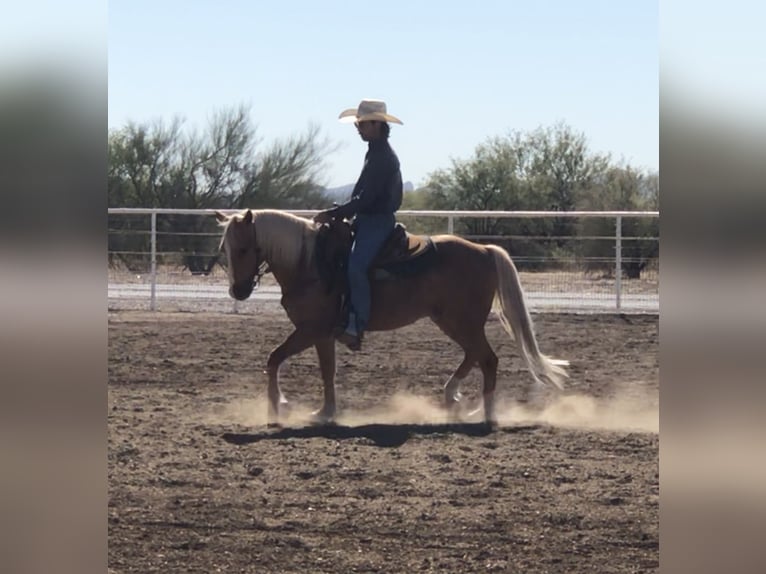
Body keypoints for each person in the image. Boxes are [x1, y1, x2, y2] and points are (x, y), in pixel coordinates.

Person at [314, 99, 404, 350]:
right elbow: (362, 196)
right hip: (367, 219)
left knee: (356, 266)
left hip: (377, 222)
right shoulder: (375, 152)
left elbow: (366, 198)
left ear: (377, 124)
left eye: (362, 123)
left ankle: (357, 323)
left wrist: (336, 212)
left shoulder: (383, 157)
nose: (358, 127)